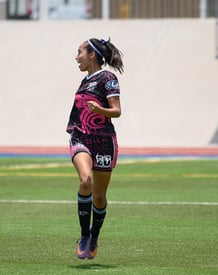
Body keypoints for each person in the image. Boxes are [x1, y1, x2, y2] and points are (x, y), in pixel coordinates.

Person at [66, 37, 124, 260]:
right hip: (81, 137)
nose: (76, 56)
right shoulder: (84, 80)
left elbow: (116, 111)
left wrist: (99, 109)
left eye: (79, 51)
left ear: (91, 55)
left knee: (99, 197)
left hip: (103, 141)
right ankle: (83, 235)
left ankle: (94, 237)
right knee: (85, 181)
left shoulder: (108, 78)